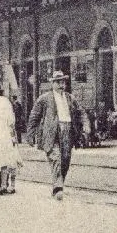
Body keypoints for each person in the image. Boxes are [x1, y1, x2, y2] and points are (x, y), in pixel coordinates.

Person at [26, 70, 79, 200]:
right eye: (58, 82)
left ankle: (58, 185)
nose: (61, 85)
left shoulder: (70, 98)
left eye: (63, 82)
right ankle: (58, 188)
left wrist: (87, 125)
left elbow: (81, 112)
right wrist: (30, 134)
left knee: (65, 160)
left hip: (67, 131)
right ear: (53, 83)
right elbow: (34, 116)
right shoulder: (44, 98)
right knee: (55, 158)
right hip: (51, 133)